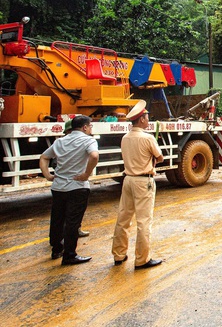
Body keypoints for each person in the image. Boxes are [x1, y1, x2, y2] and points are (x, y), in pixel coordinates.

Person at [39, 115, 99, 265]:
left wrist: (47, 175)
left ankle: (56, 249)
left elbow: (44, 157)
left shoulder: (60, 141)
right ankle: (69, 255)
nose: (91, 129)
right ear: (85, 127)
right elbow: (94, 155)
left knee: (57, 219)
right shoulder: (88, 140)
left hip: (58, 187)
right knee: (72, 222)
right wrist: (86, 174)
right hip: (77, 187)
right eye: (90, 126)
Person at [111, 100, 164, 269]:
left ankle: (119, 255)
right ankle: (142, 260)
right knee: (144, 222)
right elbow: (160, 157)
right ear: (141, 120)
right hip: (143, 182)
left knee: (123, 218)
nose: (148, 121)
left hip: (127, 180)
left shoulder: (125, 138)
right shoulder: (147, 138)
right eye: (147, 118)